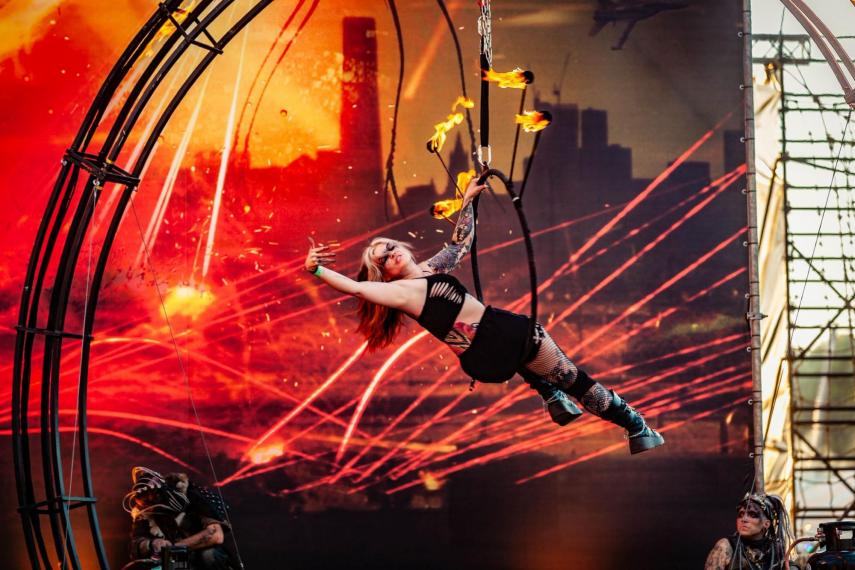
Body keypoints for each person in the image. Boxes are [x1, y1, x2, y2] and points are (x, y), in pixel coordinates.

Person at [305, 176, 664, 454]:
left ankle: (553, 398)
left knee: (532, 359)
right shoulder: (399, 292)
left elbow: (460, 244)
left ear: (402, 246)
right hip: (499, 338)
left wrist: (467, 201)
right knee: (574, 379)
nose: (390, 254)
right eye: (382, 259)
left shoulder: (429, 270)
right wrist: (317, 270)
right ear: (383, 273)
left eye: (390, 247)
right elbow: (356, 288)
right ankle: (636, 427)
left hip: (484, 357)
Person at [122, 466, 237, 570]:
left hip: (201, 553)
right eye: (145, 498)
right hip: (175, 558)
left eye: (154, 495)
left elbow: (216, 535)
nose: (150, 499)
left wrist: (174, 547)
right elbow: (135, 544)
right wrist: (151, 544)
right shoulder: (144, 512)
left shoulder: (192, 495)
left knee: (209, 555)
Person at [704, 493, 793, 570]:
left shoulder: (775, 549)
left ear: (766, 524)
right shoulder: (725, 546)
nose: (744, 519)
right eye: (741, 514)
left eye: (752, 514)